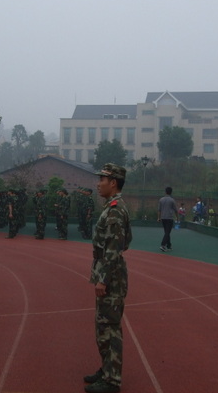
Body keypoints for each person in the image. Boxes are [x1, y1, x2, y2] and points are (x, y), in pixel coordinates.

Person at [84, 163, 132, 393]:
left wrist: (103, 278)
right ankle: (106, 369)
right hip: (109, 271)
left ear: (113, 183)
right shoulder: (113, 206)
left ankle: (112, 381)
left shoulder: (115, 210)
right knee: (103, 326)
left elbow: (114, 247)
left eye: (102, 179)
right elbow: (125, 241)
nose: (98, 183)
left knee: (110, 328)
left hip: (110, 276)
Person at [157, 186, 178, 252]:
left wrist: (158, 218)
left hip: (163, 218)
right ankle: (163, 245)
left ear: (165, 192)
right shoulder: (172, 200)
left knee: (166, 232)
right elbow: (176, 210)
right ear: (171, 192)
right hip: (169, 218)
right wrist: (177, 218)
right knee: (167, 232)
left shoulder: (161, 199)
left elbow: (159, 210)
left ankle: (169, 245)